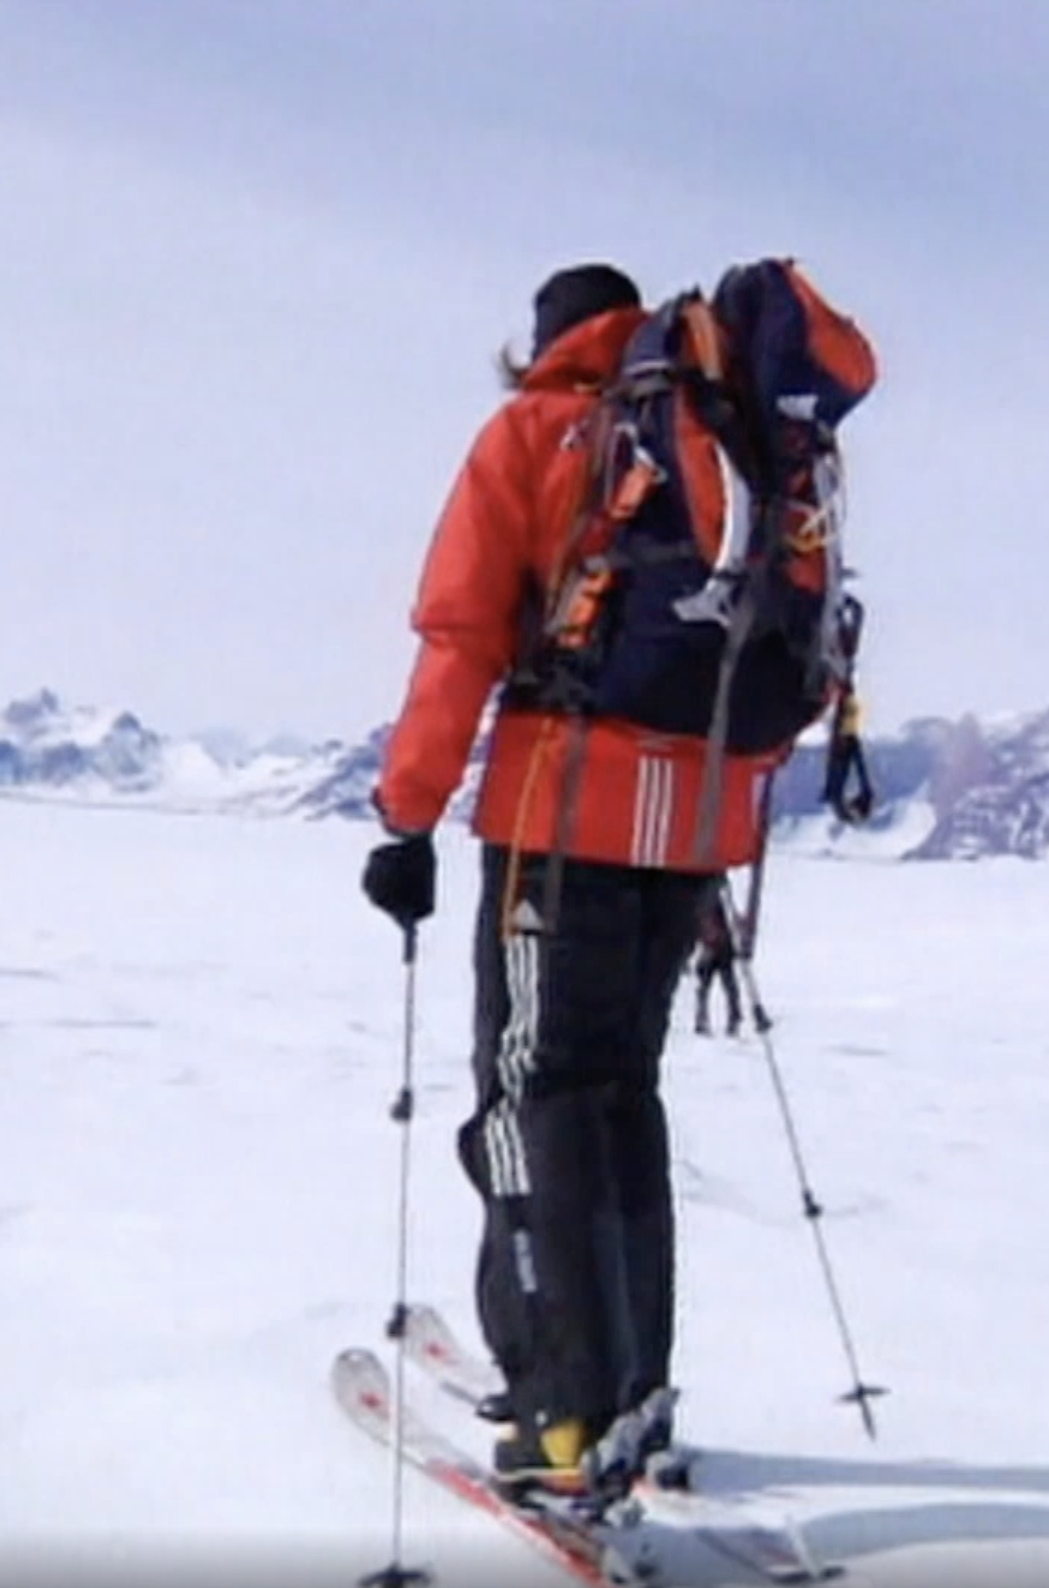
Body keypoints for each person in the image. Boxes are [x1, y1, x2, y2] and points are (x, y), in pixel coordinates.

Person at [359, 262, 782, 1493]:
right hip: (689, 832)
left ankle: (560, 1410)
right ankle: (631, 1382)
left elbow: (462, 636)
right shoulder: (723, 440)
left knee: (532, 1101)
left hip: (559, 825)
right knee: (617, 1097)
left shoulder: (539, 433)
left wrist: (407, 816)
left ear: (543, 340)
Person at [691, 882, 744, 1038]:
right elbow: (702, 922)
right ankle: (706, 1020)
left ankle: (732, 1018)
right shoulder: (706, 900)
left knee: (726, 986)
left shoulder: (718, 900)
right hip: (713, 947)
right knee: (709, 987)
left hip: (721, 946)